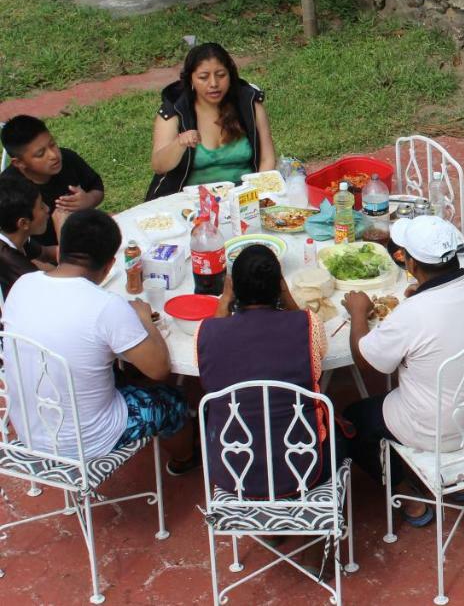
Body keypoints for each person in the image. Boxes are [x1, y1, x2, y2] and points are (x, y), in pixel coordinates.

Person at [342, 215, 464, 528]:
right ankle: (463, 484)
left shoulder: (412, 313)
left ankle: (407, 495)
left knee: (352, 419)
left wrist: (357, 313)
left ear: (411, 265)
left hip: (436, 430)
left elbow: (365, 360)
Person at [1, 210, 186, 461]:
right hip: (88, 441)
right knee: (173, 399)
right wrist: (144, 319)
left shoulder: (22, 285)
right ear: (110, 265)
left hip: (31, 432)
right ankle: (184, 460)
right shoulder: (107, 307)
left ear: (60, 249)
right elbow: (159, 369)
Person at [197, 245, 334, 493]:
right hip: (304, 466)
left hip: (233, 469)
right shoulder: (308, 325)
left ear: (234, 288)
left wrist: (225, 300)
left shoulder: (207, 333)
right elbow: (320, 355)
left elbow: (208, 351)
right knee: (345, 425)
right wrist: (287, 295)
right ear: (280, 285)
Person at [147, 42, 277, 199]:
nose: (214, 84)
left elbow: (267, 159)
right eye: (203, 77)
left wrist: (259, 196)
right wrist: (179, 143)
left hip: (244, 196)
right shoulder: (175, 110)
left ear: (231, 75)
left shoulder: (248, 104)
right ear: (190, 80)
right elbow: (159, 166)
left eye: (221, 75)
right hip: (190, 202)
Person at [1, 114, 105, 249]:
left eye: (52, 144)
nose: (54, 155)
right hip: (48, 256)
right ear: (19, 163)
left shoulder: (68, 158)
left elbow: (96, 186)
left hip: (85, 235)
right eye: (40, 154)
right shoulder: (10, 191)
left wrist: (89, 200)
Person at [0, 175, 53, 301]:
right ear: (23, 223)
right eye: (41, 206)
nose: (47, 208)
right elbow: (57, 290)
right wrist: (63, 227)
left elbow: (45, 254)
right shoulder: (9, 260)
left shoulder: (13, 234)